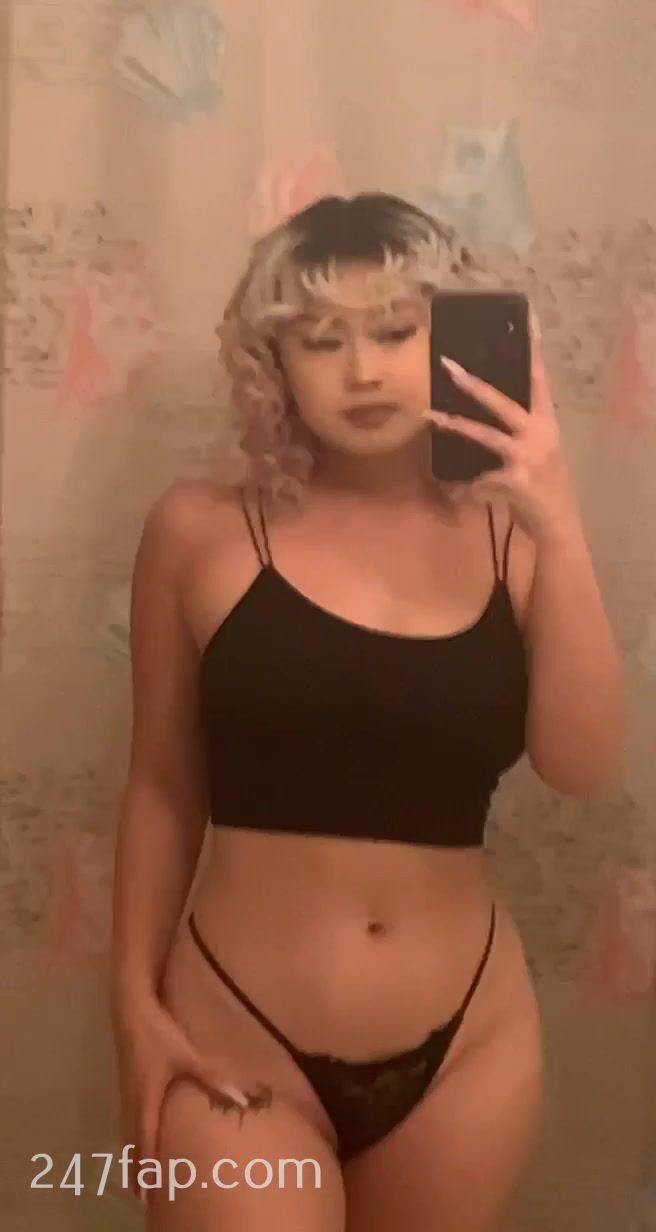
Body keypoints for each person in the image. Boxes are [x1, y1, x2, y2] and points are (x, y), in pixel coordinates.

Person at [111, 193, 625, 1231]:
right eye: (321, 338)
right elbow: (163, 782)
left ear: (448, 342)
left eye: (395, 330)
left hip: (467, 1048)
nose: (362, 370)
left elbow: (580, 766)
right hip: (237, 1032)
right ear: (274, 360)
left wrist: (560, 518)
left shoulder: (514, 536)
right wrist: (131, 1002)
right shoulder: (200, 530)